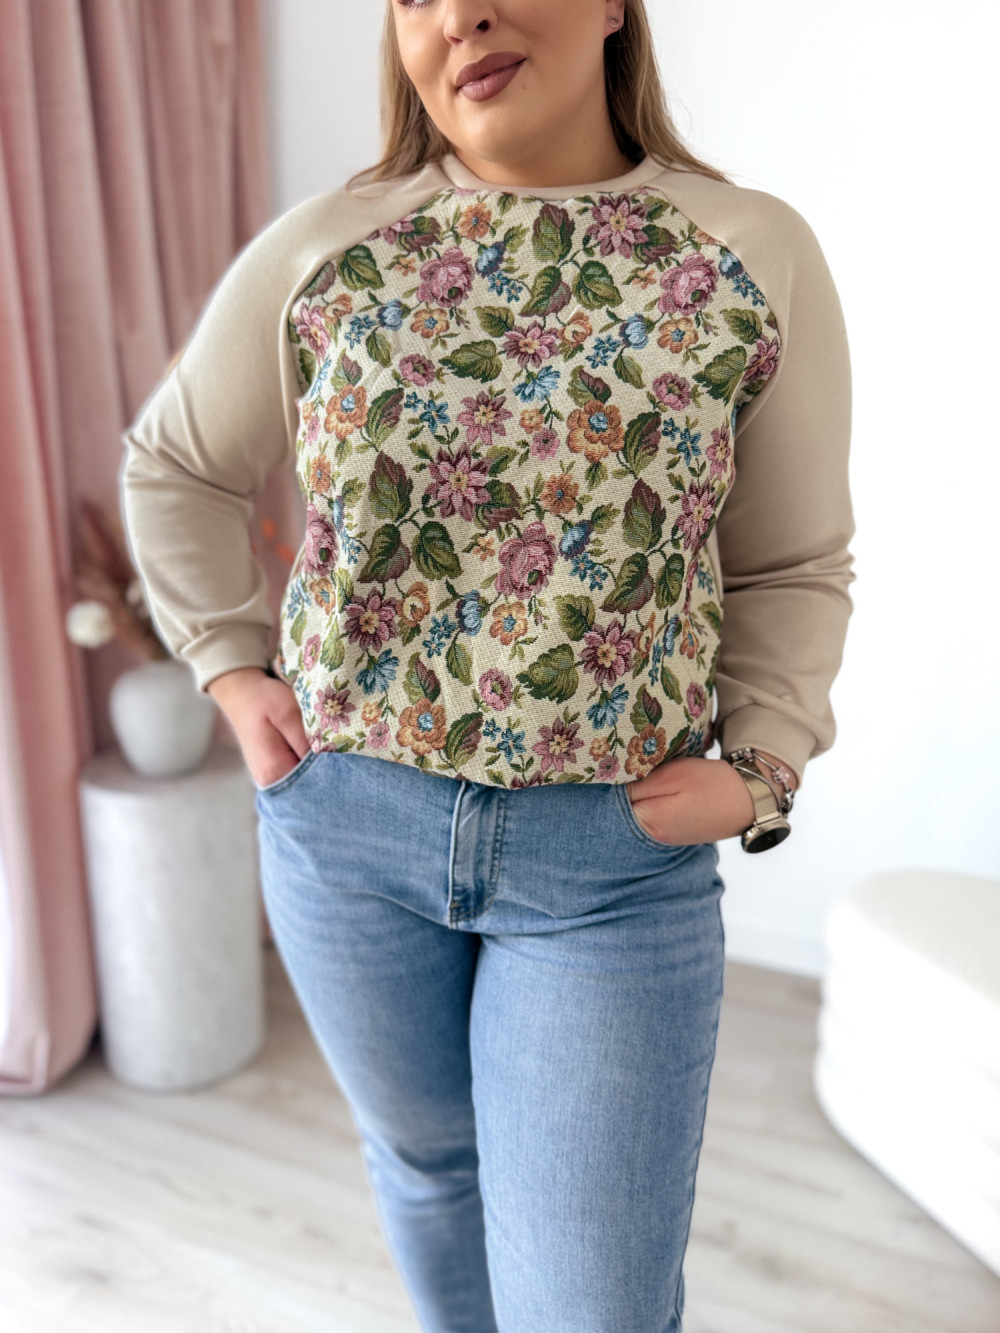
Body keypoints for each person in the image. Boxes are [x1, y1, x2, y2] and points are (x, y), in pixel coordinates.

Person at [119, 1, 855, 1328]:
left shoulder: (749, 253)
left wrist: (763, 765)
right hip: (347, 837)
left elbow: (794, 561)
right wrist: (230, 668)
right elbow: (174, 467)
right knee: (427, 1171)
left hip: (608, 875)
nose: (461, 14)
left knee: (592, 1305)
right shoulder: (331, 249)